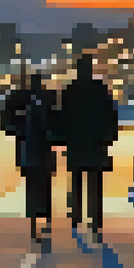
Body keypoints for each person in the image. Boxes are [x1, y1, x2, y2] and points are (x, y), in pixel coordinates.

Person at [57, 56, 120, 233]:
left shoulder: (70, 90)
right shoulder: (100, 89)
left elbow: (62, 116)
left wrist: (61, 139)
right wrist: (110, 136)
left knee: (76, 180)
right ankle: (95, 218)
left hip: (76, 141)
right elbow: (111, 114)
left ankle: (76, 216)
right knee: (95, 181)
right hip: (96, 142)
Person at [2, 71, 59, 240]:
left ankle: (35, 219)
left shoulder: (18, 98)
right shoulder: (49, 98)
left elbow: (7, 122)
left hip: (28, 148)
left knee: (32, 185)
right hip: (42, 148)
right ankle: (45, 218)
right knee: (44, 184)